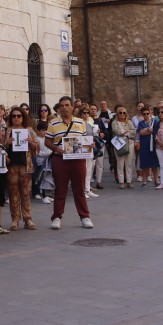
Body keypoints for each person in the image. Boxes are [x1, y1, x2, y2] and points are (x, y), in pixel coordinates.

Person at [44, 96, 93, 230]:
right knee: (60, 189)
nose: (64, 107)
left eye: (67, 105)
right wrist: (55, 148)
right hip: (60, 159)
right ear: (59, 108)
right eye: (62, 105)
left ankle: (85, 216)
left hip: (77, 159)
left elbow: (84, 140)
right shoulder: (53, 123)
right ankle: (57, 217)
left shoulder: (80, 122)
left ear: (72, 107)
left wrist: (90, 145)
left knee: (79, 189)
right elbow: (47, 141)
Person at [5, 107, 37, 230]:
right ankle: (15, 219)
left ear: (23, 117)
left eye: (19, 116)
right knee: (13, 193)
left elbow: (37, 149)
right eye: (14, 116)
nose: (16, 118)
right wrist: (6, 143)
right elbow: (0, 147)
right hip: (12, 166)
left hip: (25, 165)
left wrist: (31, 143)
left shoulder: (29, 131)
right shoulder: (7, 131)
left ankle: (28, 219)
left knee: (25, 193)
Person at [110, 107, 135, 189]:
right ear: (117, 114)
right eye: (120, 113)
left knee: (129, 163)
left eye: (124, 113)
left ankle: (129, 181)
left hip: (129, 143)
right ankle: (121, 181)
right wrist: (126, 132)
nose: (122, 114)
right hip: (119, 144)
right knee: (120, 163)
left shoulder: (129, 122)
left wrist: (125, 132)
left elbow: (134, 131)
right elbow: (116, 131)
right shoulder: (114, 122)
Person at [135, 106, 159, 188]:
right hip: (144, 145)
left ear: (150, 113)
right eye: (144, 114)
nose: (146, 115)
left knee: (154, 163)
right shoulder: (140, 123)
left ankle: (156, 180)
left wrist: (147, 130)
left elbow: (156, 131)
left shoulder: (154, 121)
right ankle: (144, 181)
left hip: (153, 144)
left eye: (147, 113)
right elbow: (140, 132)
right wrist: (148, 130)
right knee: (144, 163)